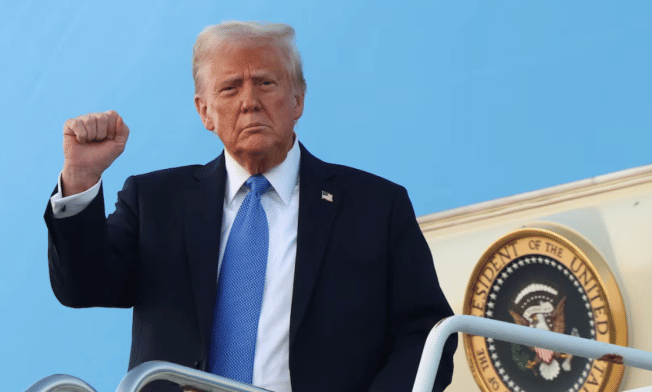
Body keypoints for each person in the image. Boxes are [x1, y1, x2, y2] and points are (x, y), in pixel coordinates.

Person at [44, 21, 456, 392]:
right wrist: (80, 179)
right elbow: (83, 286)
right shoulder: (155, 201)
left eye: (265, 83)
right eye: (230, 87)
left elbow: (426, 332)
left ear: (298, 100)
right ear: (204, 111)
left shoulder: (374, 206)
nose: (249, 101)